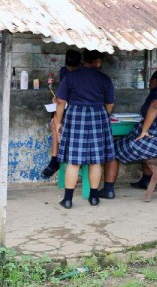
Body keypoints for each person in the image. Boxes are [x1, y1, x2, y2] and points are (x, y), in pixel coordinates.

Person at [99, 70, 157, 197]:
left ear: (155, 81)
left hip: (154, 141)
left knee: (111, 149)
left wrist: (144, 130)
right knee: (137, 142)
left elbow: (155, 106)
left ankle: (108, 189)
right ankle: (146, 181)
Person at [55, 50, 115, 208]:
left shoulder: (71, 76)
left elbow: (61, 101)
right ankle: (94, 197)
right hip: (98, 115)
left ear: (83, 59)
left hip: (76, 115)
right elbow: (110, 104)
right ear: (98, 61)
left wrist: (58, 122)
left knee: (73, 162)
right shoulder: (104, 78)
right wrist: (102, 116)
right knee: (96, 161)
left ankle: (68, 200)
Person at [41, 49, 82, 178]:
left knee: (57, 124)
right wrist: (58, 98)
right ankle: (55, 159)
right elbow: (63, 93)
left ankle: (59, 158)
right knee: (54, 122)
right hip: (66, 107)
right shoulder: (64, 71)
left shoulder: (84, 74)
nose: (70, 71)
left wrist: (62, 100)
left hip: (79, 110)